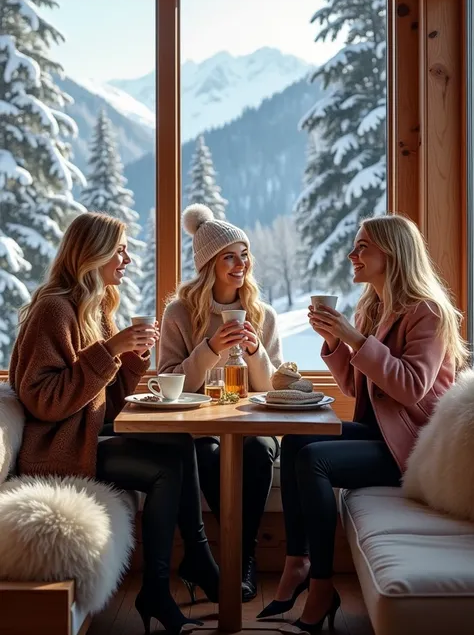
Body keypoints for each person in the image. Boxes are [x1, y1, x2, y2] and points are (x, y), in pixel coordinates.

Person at [9, 212, 218, 635]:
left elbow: (107, 399)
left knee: (180, 445)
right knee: (167, 467)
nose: (126, 259)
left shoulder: (97, 306)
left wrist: (130, 362)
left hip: (89, 435)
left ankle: (191, 557)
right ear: (93, 254)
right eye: (119, 250)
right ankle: (162, 585)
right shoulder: (54, 309)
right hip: (59, 449)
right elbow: (44, 400)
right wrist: (111, 350)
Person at [258, 214, 468, 633]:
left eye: (362, 247)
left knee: (314, 460)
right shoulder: (374, 306)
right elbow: (357, 388)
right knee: (300, 439)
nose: (352, 255)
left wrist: (354, 339)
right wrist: (337, 341)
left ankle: (321, 585)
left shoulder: (427, 313)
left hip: (411, 449)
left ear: (390, 254)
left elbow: (410, 388)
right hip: (380, 436)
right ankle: (297, 560)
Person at [158, 203, 283, 601]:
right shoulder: (179, 313)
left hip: (252, 423)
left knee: (260, 450)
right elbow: (168, 383)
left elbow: (271, 388)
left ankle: (240, 557)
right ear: (209, 264)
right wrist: (210, 348)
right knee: (208, 456)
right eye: (229, 256)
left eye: (244, 254)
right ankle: (231, 559)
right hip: (198, 426)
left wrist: (254, 352)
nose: (239, 263)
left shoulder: (262, 315)